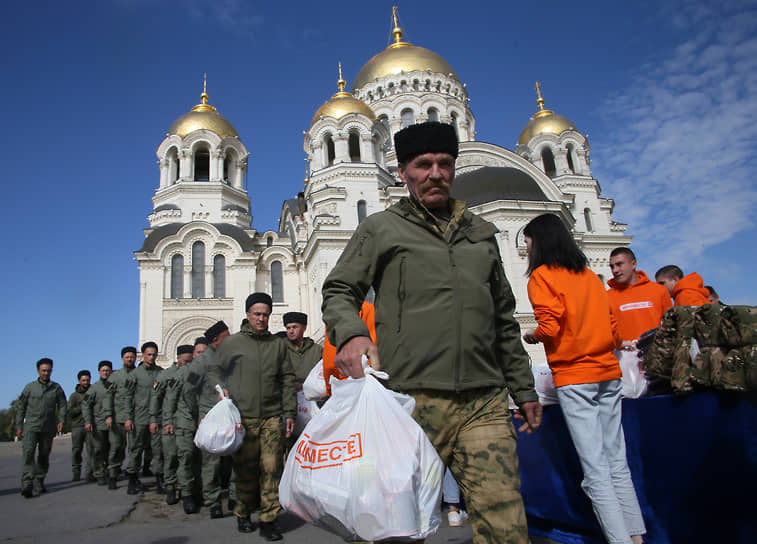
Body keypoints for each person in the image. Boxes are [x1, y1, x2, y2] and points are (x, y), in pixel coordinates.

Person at [321, 121, 542, 543]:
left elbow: (503, 318)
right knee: (395, 527)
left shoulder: (481, 235)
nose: (436, 173)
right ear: (403, 172)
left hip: (485, 401)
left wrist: (524, 388)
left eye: (444, 163)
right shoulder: (382, 229)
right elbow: (339, 288)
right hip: (411, 402)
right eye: (423, 164)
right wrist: (350, 334)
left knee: (507, 526)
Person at [521, 213, 645, 544]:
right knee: (617, 463)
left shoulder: (542, 277)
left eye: (528, 244)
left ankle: (621, 541)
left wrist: (533, 335)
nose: (527, 251)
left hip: (576, 376)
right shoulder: (590, 276)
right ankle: (636, 537)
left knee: (596, 471)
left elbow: (551, 325)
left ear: (540, 244)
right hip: (608, 372)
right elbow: (613, 327)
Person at [208, 293, 296, 540]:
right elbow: (214, 370)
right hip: (243, 418)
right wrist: (220, 389)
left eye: (265, 315)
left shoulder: (277, 345)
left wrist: (288, 411)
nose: (261, 319)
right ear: (248, 315)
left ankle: (269, 518)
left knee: (272, 467)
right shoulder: (233, 344)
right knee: (245, 469)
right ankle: (244, 512)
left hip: (271, 416)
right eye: (257, 314)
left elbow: (287, 378)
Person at [183, 320, 233, 519]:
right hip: (210, 417)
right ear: (215, 341)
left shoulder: (229, 358)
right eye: (226, 338)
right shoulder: (201, 362)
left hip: (229, 417)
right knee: (211, 462)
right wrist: (198, 413)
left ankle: (235, 497)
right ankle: (213, 502)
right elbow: (188, 389)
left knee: (232, 459)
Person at [15, 358, 67, 498]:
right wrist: (19, 426)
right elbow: (21, 408)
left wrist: (61, 420)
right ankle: (27, 484)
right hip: (31, 427)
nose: (46, 373)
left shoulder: (56, 388)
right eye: (43, 370)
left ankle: (39, 481)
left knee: (44, 455)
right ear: (38, 371)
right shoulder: (29, 388)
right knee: (28, 454)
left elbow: (62, 404)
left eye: (48, 370)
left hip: (48, 427)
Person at [151, 344, 193, 507]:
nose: (187, 364)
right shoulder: (165, 376)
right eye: (185, 361)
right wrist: (155, 419)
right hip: (167, 422)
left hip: (185, 422)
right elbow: (156, 398)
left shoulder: (192, 374)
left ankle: (185, 488)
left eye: (190, 361)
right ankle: (170, 487)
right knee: (170, 456)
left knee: (185, 457)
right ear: (178, 358)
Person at [607, 247, 672, 346]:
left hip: (657, 355)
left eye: (619, 264)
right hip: (624, 357)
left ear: (633, 264)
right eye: (612, 267)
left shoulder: (659, 291)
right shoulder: (607, 297)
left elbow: (670, 326)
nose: (615, 270)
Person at [126, 341, 163, 495]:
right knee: (136, 449)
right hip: (139, 418)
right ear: (143, 355)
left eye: (154, 354)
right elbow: (127, 397)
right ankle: (132, 480)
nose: (152, 357)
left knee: (157, 450)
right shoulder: (134, 375)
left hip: (156, 419)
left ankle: (159, 480)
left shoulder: (160, 372)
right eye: (149, 354)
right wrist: (128, 418)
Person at [104, 346, 137, 490]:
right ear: (122, 358)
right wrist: (108, 415)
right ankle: (112, 474)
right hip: (118, 417)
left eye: (132, 357)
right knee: (117, 447)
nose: (130, 359)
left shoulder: (138, 374)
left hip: (135, 418)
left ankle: (132, 475)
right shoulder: (115, 377)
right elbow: (108, 396)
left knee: (134, 448)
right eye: (127, 357)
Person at [82, 361, 114, 486]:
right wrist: (88, 421)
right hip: (98, 424)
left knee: (112, 449)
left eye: (107, 370)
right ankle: (100, 473)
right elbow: (86, 405)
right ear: (99, 372)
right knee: (99, 450)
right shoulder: (93, 388)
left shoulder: (114, 385)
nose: (105, 372)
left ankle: (110, 471)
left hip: (113, 424)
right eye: (103, 370)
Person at [67, 369, 94, 482]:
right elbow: (70, 411)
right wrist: (83, 406)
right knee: (77, 450)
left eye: (87, 380)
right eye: (83, 380)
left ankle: (89, 473)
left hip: (91, 426)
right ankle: (76, 472)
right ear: (79, 381)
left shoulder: (93, 392)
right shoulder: (74, 396)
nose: (86, 382)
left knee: (91, 450)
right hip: (77, 426)